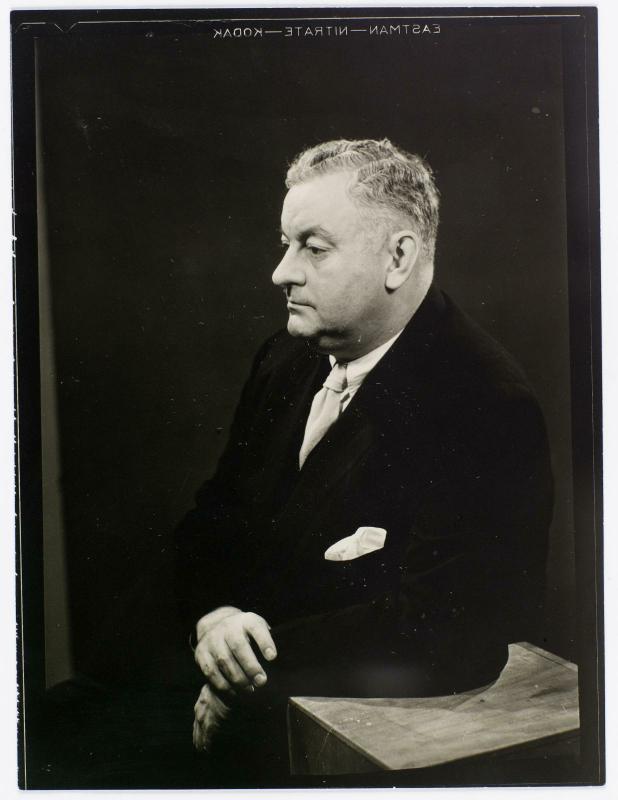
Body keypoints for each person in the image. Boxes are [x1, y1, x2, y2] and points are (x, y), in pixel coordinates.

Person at [173, 138, 554, 782]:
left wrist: (243, 672)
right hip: (229, 684)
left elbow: (450, 627)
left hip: (338, 726)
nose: (281, 272)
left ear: (398, 257)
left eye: (313, 248)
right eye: (285, 243)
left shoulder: (485, 403)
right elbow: (216, 517)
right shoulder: (284, 357)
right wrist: (214, 620)